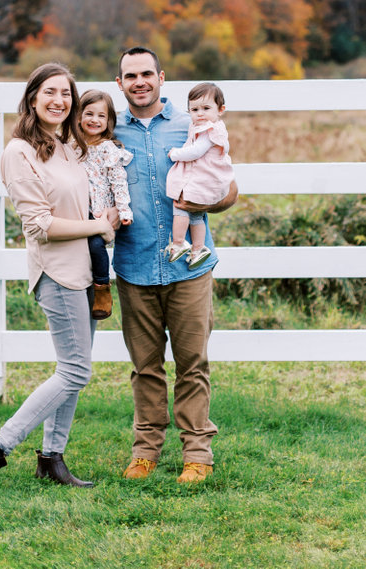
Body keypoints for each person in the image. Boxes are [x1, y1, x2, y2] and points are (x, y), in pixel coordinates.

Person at [0, 62, 115, 495]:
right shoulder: (19, 152)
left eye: (66, 93)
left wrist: (107, 218)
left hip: (87, 271)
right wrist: (97, 226)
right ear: (32, 97)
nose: (59, 101)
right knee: (74, 370)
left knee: (73, 369)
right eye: (50, 92)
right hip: (57, 272)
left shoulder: (66, 144)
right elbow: (40, 225)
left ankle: (52, 459)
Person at [113, 47, 238, 484]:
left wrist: (203, 202)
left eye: (147, 73)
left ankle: (197, 453)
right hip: (134, 265)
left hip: (188, 268)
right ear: (120, 83)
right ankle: (145, 451)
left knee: (192, 363)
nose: (140, 81)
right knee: (144, 367)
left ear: (162, 77)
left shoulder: (193, 124)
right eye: (131, 75)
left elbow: (229, 188)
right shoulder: (108, 132)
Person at [165, 82, 233, 270]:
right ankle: (198, 248)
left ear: (221, 110)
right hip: (206, 180)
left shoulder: (208, 130)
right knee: (196, 215)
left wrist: (175, 154)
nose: (200, 113)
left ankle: (178, 243)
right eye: (194, 109)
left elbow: (196, 152)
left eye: (206, 108)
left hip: (201, 180)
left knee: (180, 207)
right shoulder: (213, 128)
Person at [78, 89, 133, 320]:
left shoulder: (109, 150)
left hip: (100, 211)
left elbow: (119, 182)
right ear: (78, 116)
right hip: (76, 210)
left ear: (109, 121)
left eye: (101, 116)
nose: (94, 120)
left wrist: (123, 210)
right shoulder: (71, 146)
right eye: (89, 113)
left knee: (94, 245)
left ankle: (102, 288)